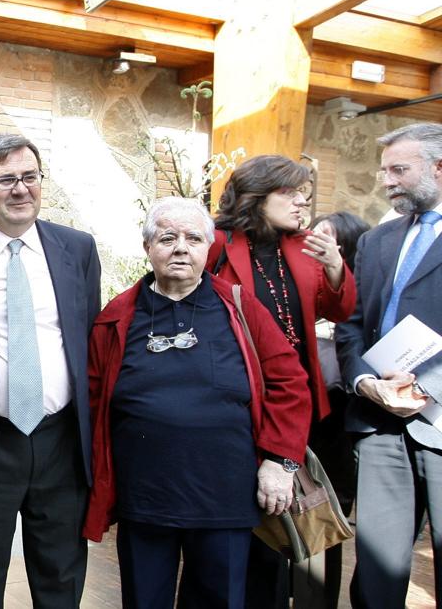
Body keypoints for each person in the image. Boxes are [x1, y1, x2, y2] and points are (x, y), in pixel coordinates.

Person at [85, 196, 311, 609]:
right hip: (145, 497)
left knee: (219, 600)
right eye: (167, 237)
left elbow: (291, 382)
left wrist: (280, 461)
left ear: (209, 247)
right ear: (148, 248)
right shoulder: (117, 317)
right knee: (144, 600)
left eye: (193, 238)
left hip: (226, 494)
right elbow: (93, 397)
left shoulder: (240, 308)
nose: (180, 248)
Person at [0, 134, 101, 608]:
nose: (20, 189)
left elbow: (86, 335)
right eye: (5, 179)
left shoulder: (77, 249)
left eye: (29, 177)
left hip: (61, 440)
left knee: (61, 575)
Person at [207, 154, 356, 607]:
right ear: (256, 195)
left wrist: (335, 267)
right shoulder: (215, 243)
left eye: (305, 194)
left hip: (300, 401)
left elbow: (339, 309)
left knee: (292, 515)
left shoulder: (306, 244)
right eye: (289, 193)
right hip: (238, 401)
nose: (302, 202)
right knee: (248, 522)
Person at [336, 123, 442, 609]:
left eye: (399, 169)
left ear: (438, 169)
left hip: (439, 419)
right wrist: (364, 382)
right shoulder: (376, 241)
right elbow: (351, 324)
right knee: (376, 573)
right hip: (378, 424)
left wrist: (427, 384)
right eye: (384, 170)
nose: (386, 181)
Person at [295, 211, 368, 609]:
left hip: (333, 424)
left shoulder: (355, 304)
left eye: (328, 242)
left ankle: (315, 600)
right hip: (293, 418)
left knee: (324, 515)